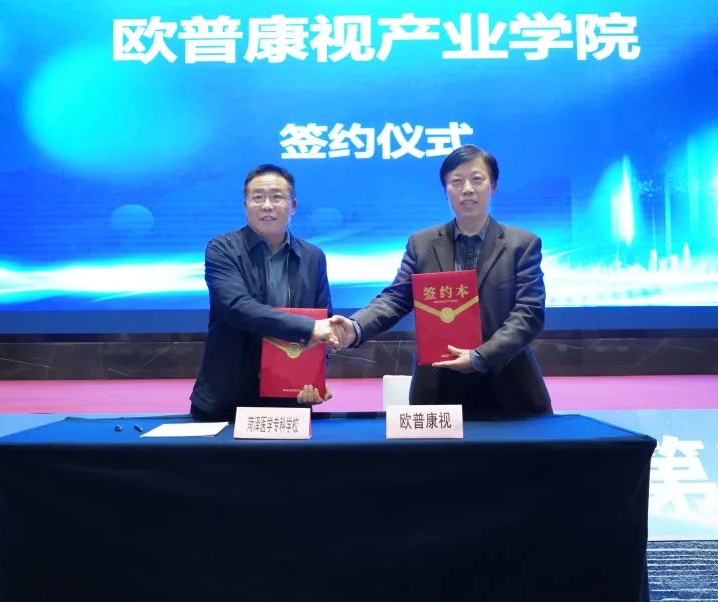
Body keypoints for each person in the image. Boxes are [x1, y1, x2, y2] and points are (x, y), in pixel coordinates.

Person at [331, 145, 552, 417]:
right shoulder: (422, 244)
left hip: (508, 386)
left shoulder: (523, 244)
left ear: (493, 186)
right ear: (445, 190)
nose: (467, 189)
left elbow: (529, 314)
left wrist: (480, 356)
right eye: (456, 181)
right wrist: (355, 326)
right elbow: (395, 299)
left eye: (477, 179)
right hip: (437, 388)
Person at [190, 164, 337, 422]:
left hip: (289, 399)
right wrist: (310, 328)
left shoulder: (313, 257)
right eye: (258, 197)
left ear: (293, 206)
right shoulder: (222, 249)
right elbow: (238, 308)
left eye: (277, 197)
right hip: (227, 399)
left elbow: (323, 319)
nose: (267, 205)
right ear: (245, 205)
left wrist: (314, 377)